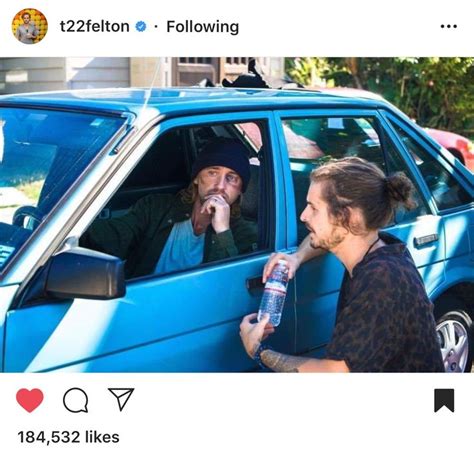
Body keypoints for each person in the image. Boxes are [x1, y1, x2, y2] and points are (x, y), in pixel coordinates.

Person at [240, 157, 444, 372]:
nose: (303, 216)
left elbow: (335, 373)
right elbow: (326, 238)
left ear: (347, 217)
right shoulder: (378, 245)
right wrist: (296, 258)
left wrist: (258, 351)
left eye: (313, 208)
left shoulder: (381, 280)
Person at [81, 137, 258, 279]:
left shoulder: (244, 234)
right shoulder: (156, 208)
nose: (220, 185)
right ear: (197, 178)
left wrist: (223, 231)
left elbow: (229, 288)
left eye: (232, 178)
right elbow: (110, 237)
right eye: (212, 172)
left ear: (240, 190)